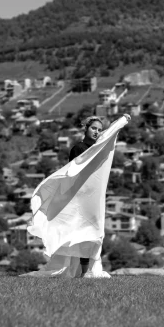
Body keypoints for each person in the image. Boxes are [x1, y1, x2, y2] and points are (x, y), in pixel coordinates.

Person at [68, 114, 129, 277]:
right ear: (86, 128)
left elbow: (110, 135)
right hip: (81, 196)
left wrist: (121, 122)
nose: (96, 132)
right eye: (93, 128)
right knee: (82, 233)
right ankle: (82, 272)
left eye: (99, 130)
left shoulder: (98, 148)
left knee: (93, 233)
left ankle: (87, 270)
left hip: (94, 197)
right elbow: (72, 173)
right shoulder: (78, 148)